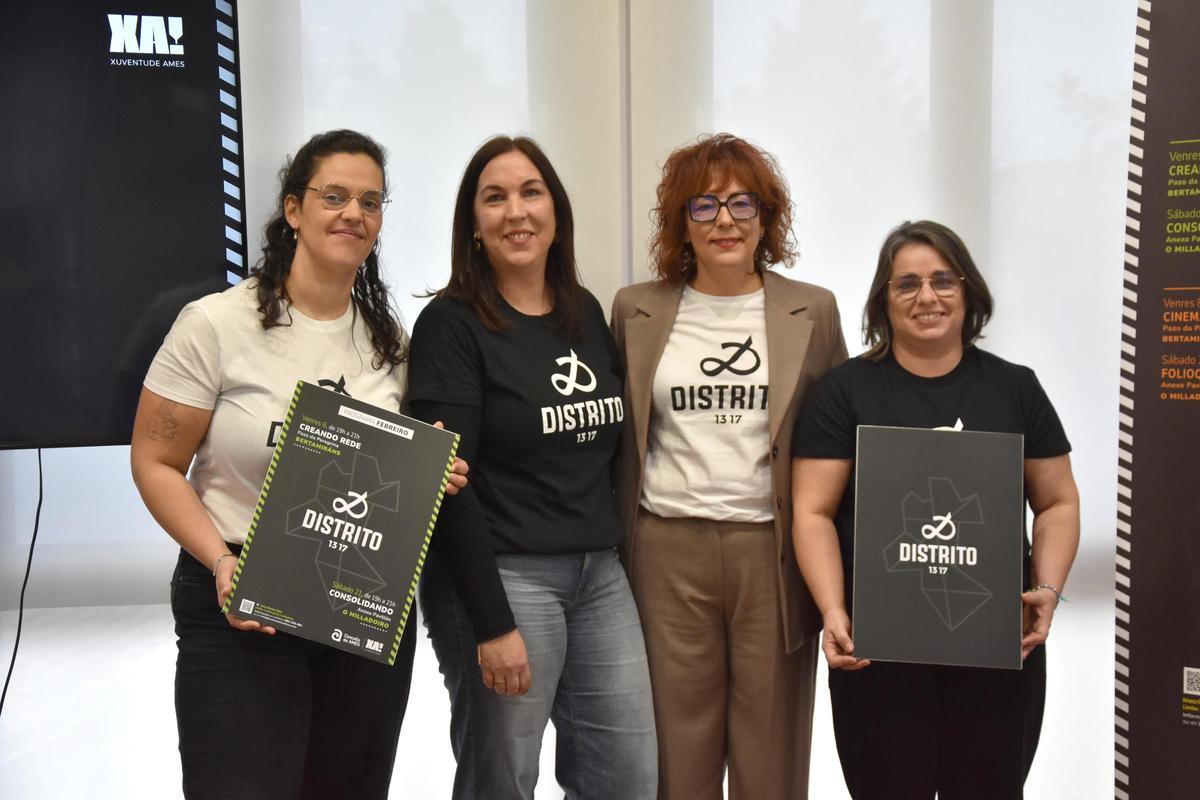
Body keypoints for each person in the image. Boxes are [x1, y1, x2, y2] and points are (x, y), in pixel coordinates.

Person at [130, 129, 465, 799]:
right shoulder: (214, 325)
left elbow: (384, 481)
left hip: (358, 604)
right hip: (239, 603)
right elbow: (155, 462)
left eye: (371, 201)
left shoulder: (388, 341)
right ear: (292, 210)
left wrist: (433, 473)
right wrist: (221, 565)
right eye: (333, 196)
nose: (354, 214)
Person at [791, 220, 1081, 800]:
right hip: (876, 651)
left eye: (944, 280)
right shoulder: (844, 392)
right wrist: (832, 611)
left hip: (996, 648)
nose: (928, 296)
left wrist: (1047, 588)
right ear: (883, 301)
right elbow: (812, 512)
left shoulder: (1015, 389)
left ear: (968, 292)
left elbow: (1058, 502)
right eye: (907, 284)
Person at [407, 135, 658, 800]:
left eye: (530, 192)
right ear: (474, 225)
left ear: (556, 211)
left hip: (600, 575)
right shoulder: (451, 325)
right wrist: (491, 625)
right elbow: (446, 485)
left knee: (628, 778)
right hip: (504, 576)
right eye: (495, 197)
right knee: (503, 780)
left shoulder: (586, 311)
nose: (515, 211)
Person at [610, 133, 847, 799]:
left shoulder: (814, 311)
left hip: (772, 554)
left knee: (770, 754)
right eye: (704, 204)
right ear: (680, 223)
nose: (724, 221)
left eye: (743, 205)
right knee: (675, 757)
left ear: (767, 219)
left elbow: (840, 446)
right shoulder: (636, 309)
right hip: (666, 552)